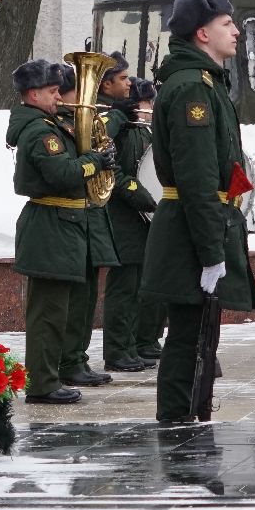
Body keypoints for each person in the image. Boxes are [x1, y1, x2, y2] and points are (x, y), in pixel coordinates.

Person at [140, 0, 255, 423]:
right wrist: (211, 254)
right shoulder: (193, 87)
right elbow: (195, 179)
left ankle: (190, 419)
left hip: (200, 224)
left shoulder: (205, 82)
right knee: (188, 338)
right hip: (191, 231)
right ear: (202, 34)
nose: (237, 32)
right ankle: (177, 426)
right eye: (227, 24)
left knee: (198, 338)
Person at [6, 58, 115, 406]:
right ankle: (42, 383)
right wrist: (95, 162)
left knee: (59, 311)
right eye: (53, 91)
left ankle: (52, 376)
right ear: (34, 93)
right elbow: (62, 175)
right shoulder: (40, 132)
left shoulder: (50, 125)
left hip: (62, 226)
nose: (59, 97)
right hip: (50, 226)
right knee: (47, 314)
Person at [54, 62, 117, 390]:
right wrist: (94, 159)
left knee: (88, 294)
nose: (84, 98)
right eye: (77, 92)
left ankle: (78, 356)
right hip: (73, 216)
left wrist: (104, 155)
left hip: (90, 214)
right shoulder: (56, 126)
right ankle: (70, 359)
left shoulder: (81, 122)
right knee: (76, 298)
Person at [100, 66, 158, 373]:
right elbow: (117, 173)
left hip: (142, 217)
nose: (150, 108)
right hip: (124, 216)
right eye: (146, 102)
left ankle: (136, 343)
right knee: (124, 288)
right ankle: (118, 350)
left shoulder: (141, 129)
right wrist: (141, 196)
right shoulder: (122, 128)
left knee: (140, 285)